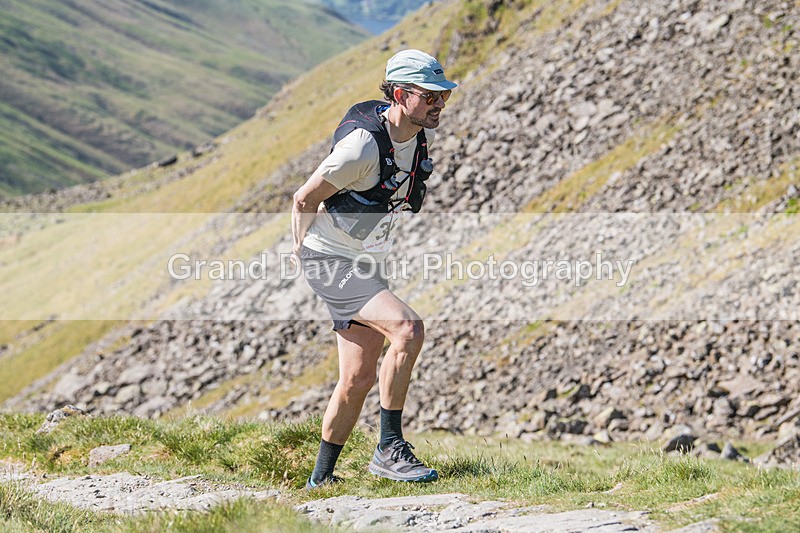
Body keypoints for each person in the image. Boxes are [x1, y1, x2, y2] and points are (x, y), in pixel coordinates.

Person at [291, 49, 456, 488]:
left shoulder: (415, 135)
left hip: (365, 261)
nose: (439, 104)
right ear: (400, 95)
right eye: (430, 96)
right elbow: (304, 197)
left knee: (358, 377)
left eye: (444, 95)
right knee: (408, 329)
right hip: (329, 260)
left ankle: (319, 482)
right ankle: (389, 448)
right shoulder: (362, 146)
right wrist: (301, 251)